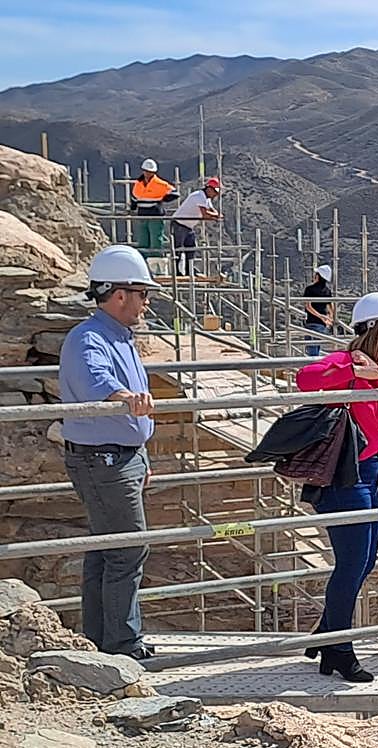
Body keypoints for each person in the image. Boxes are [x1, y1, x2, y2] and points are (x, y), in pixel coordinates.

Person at [295, 292, 378, 683]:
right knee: (350, 564)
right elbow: (305, 379)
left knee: (364, 562)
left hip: (368, 474)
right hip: (344, 477)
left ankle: (328, 636)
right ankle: (340, 649)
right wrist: (353, 375)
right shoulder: (342, 362)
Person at [59, 245, 162, 660]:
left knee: (108, 547)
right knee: (126, 549)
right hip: (103, 458)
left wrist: (141, 456)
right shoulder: (90, 338)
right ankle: (122, 644)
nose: (146, 302)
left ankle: (102, 640)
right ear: (120, 295)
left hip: (120, 455)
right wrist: (124, 397)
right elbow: (93, 380)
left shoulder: (115, 336)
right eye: (142, 293)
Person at [169, 177, 221, 276]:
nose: (215, 195)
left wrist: (215, 215)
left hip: (188, 226)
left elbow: (212, 210)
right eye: (215, 192)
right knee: (178, 250)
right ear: (209, 189)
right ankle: (177, 272)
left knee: (191, 248)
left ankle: (189, 270)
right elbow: (205, 214)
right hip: (180, 224)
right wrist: (216, 216)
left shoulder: (206, 199)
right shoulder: (199, 196)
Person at [129, 159, 178, 257]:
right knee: (143, 241)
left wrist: (161, 199)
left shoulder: (159, 183)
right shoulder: (138, 184)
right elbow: (134, 197)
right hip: (142, 216)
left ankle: (156, 263)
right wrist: (133, 207)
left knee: (156, 240)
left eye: (150, 172)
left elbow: (175, 193)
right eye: (146, 171)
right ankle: (144, 263)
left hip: (155, 216)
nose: (147, 173)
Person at [302, 265, 334, 357]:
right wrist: (329, 318)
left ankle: (313, 370)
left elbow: (308, 306)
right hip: (322, 324)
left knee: (312, 351)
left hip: (312, 322)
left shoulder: (310, 289)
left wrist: (321, 317)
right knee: (317, 348)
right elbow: (331, 306)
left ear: (318, 276)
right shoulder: (327, 291)